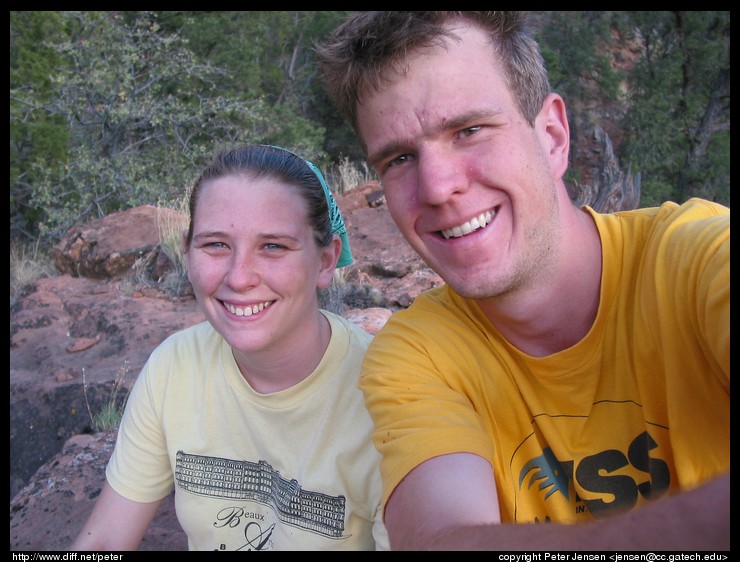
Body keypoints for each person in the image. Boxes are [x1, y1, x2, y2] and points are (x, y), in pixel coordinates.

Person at [315, 11, 730, 551]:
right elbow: (440, 540)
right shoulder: (420, 353)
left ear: (553, 136)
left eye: (469, 130)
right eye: (399, 158)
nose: (438, 188)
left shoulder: (695, 259)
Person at [70, 144, 389, 551]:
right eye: (216, 245)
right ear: (186, 252)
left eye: (273, 246)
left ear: (326, 261)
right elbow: (107, 540)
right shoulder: (175, 366)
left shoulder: (384, 398)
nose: (239, 278)